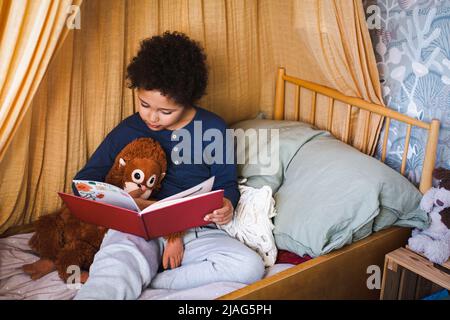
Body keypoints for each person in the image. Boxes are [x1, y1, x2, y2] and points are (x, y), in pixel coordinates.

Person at [73, 31, 265, 300]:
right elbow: (85, 180)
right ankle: (129, 276)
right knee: (117, 267)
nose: (152, 117)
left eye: (165, 112)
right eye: (144, 105)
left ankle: (153, 281)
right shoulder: (129, 129)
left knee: (249, 266)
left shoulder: (212, 128)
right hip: (137, 229)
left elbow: (226, 184)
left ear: (188, 100)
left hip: (194, 232)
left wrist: (227, 206)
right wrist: (115, 199)